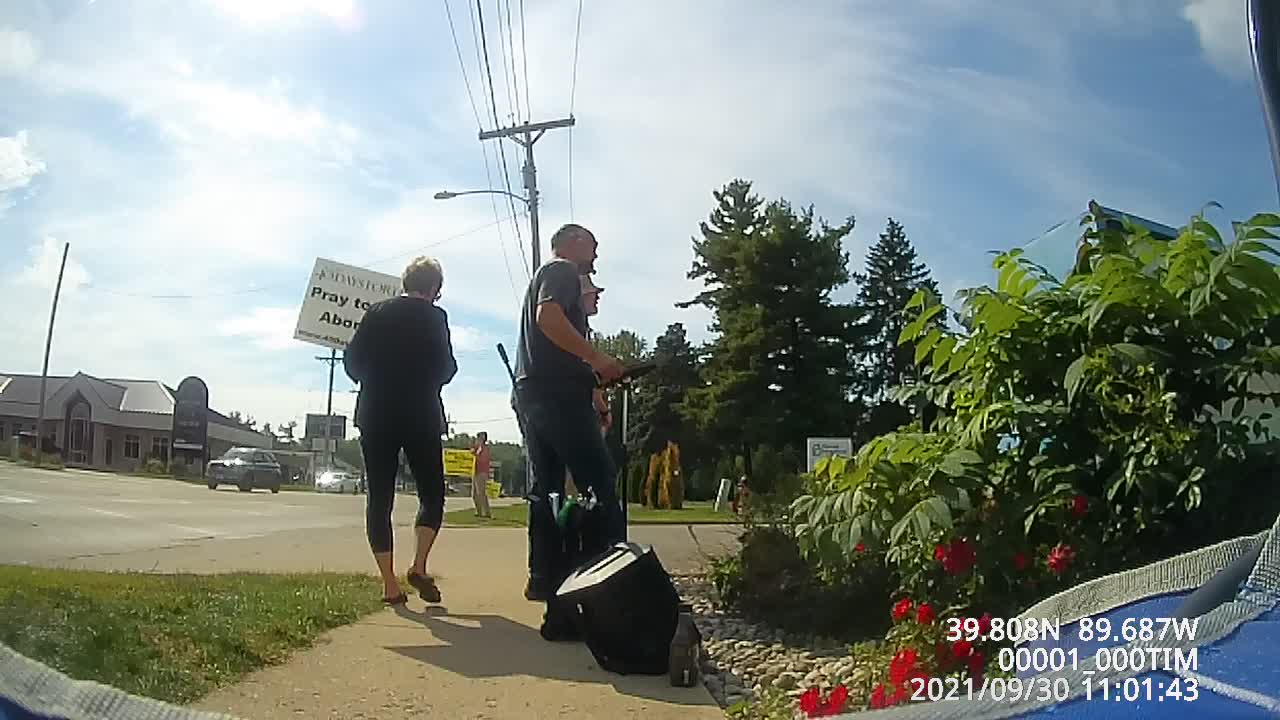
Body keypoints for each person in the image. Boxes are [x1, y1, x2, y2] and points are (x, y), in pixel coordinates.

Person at [513, 223, 624, 638]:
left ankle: (550, 588)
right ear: (574, 243)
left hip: (536, 393)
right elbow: (548, 318)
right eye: (593, 246)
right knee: (599, 488)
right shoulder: (561, 271)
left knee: (549, 493)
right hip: (557, 396)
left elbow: (553, 346)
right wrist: (597, 358)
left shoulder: (547, 277)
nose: (595, 256)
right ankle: (605, 593)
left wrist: (594, 391)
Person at [342, 255, 457, 605]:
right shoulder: (435, 317)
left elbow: (352, 361)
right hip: (421, 413)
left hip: (376, 413)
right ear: (434, 288)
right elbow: (447, 367)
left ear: (405, 283)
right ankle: (419, 565)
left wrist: (374, 380)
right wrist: (425, 382)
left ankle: (390, 585)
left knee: (379, 498)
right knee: (432, 493)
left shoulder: (376, 312)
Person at [564, 274, 611, 498]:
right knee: (582, 476)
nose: (597, 298)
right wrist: (603, 409)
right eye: (593, 294)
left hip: (571, 407)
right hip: (569, 410)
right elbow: (584, 375)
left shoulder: (578, 328)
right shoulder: (574, 329)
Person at [471, 431, 493, 518]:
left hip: (482, 473)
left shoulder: (485, 448)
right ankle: (479, 511)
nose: (477, 440)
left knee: (481, 493)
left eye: (479, 438)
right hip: (475, 472)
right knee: (474, 494)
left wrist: (475, 455)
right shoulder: (477, 448)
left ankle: (487, 513)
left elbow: (483, 459)